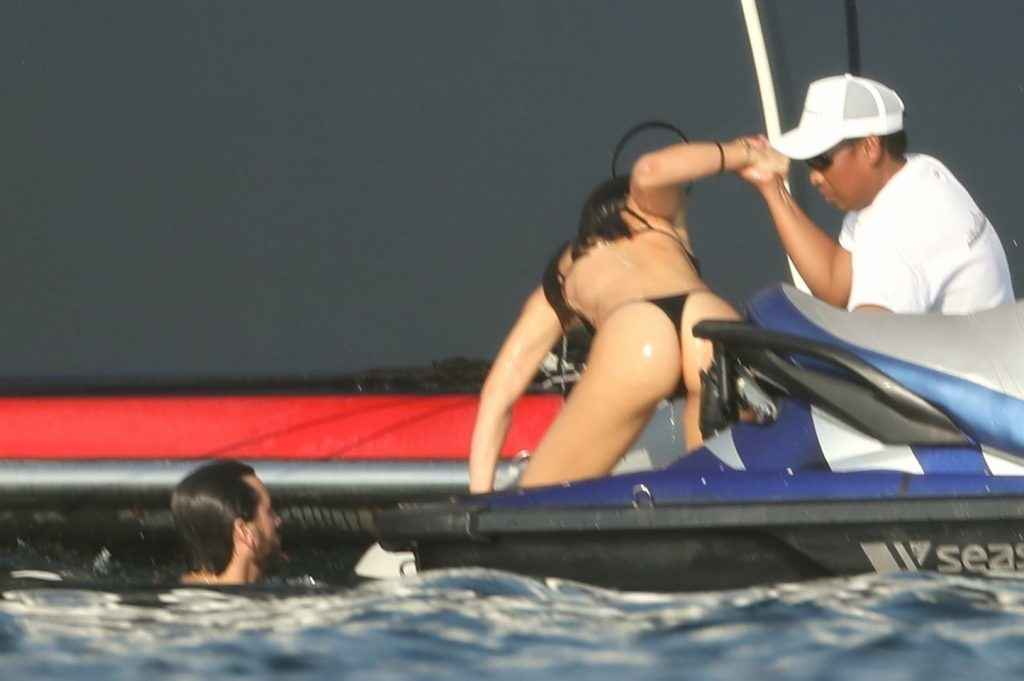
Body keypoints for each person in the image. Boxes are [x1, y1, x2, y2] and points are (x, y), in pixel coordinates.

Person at [468, 132, 781, 493]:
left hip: (637, 334)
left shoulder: (564, 274)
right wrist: (746, 153)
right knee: (718, 496)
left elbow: (499, 393)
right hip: (710, 322)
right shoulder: (659, 218)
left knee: (542, 503)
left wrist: (479, 499)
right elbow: (652, 172)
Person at [741, 73, 1013, 313]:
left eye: (821, 160)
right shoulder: (921, 171)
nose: (814, 177)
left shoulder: (896, 228)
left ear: (870, 147)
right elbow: (836, 286)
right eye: (809, 163)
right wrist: (772, 187)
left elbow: (866, 341)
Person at [170, 460, 282, 585]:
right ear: (244, 532)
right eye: (269, 512)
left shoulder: (169, 592)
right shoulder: (281, 595)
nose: (278, 520)